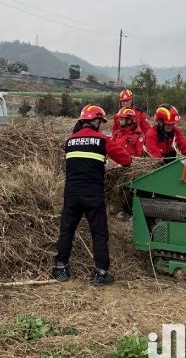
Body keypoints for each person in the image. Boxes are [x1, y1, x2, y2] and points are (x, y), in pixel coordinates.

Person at [53, 104, 132, 285]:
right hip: (93, 195)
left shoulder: (69, 141)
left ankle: (60, 268)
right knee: (99, 233)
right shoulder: (102, 139)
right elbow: (126, 160)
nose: (101, 125)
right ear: (95, 121)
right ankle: (100, 273)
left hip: (71, 194)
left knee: (66, 230)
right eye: (100, 122)